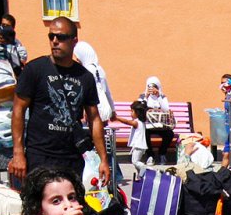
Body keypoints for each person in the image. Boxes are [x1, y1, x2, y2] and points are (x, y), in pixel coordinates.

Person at [9, 16, 109, 190]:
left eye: (61, 37)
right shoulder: (35, 70)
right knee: (39, 211)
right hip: (39, 156)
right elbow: (18, 110)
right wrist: (18, 153)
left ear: (74, 41)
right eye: (51, 37)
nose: (55, 41)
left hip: (72, 158)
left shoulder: (85, 77)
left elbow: (94, 119)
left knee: (70, 210)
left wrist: (103, 160)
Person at [73, 40, 124, 194]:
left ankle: (99, 172)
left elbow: (84, 95)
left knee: (94, 144)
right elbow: (107, 91)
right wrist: (113, 110)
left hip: (93, 111)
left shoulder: (84, 71)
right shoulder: (99, 69)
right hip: (104, 111)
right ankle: (115, 174)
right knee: (104, 143)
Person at [132, 76, 176, 169]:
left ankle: (162, 153)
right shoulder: (142, 96)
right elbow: (139, 110)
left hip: (160, 124)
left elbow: (166, 109)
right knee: (144, 133)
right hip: (148, 125)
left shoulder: (162, 96)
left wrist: (158, 96)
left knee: (169, 134)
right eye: (149, 86)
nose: (151, 89)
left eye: (154, 86)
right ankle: (150, 155)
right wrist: (146, 97)